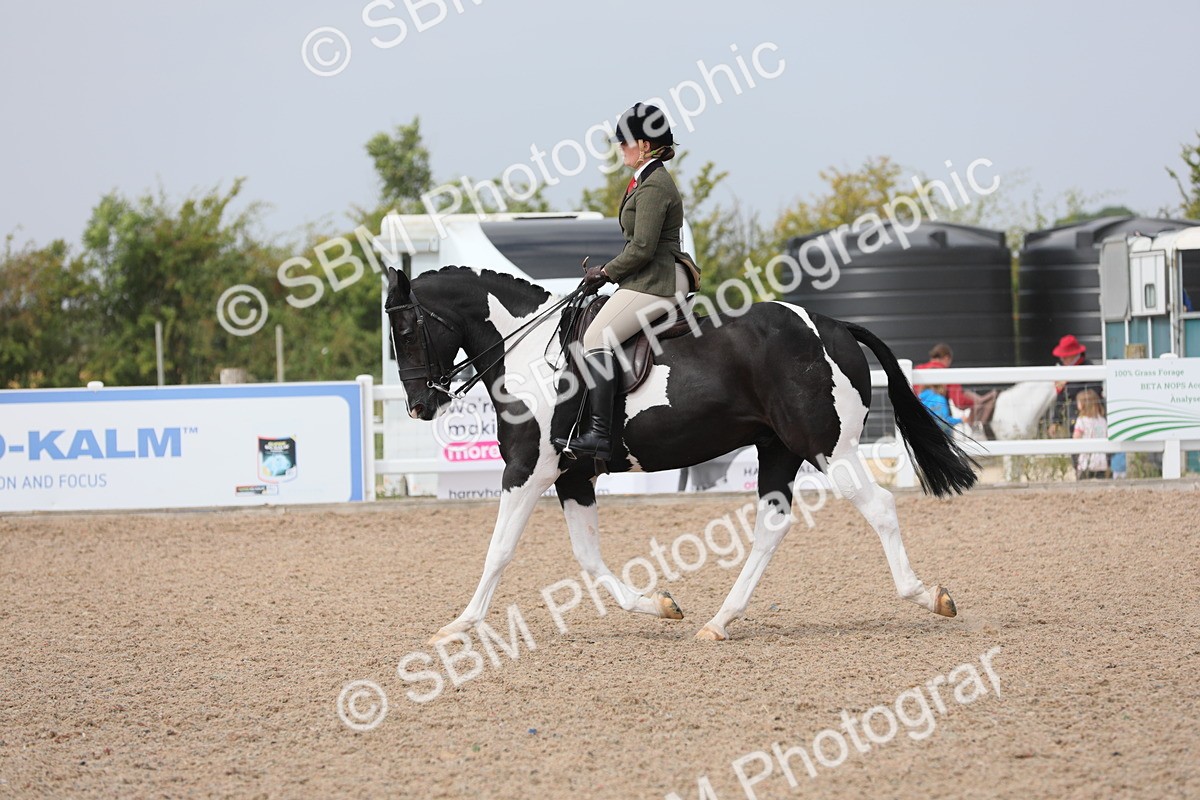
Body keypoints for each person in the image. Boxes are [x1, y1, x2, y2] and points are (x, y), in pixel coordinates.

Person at [553, 103, 699, 461]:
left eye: (625, 143)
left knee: (596, 336)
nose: (620, 148)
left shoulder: (654, 185)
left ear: (645, 145)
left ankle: (600, 435)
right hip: (649, 276)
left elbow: (643, 248)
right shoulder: (644, 179)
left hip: (659, 279)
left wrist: (605, 273)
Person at [912, 343, 997, 428]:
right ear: (946, 358)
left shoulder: (918, 370)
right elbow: (959, 402)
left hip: (917, 420)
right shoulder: (946, 373)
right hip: (939, 425)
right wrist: (976, 401)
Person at [1049, 334, 1104, 434]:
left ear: (1073, 355)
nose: (1062, 359)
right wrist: (1056, 421)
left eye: (1065, 357)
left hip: (1090, 419)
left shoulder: (1089, 369)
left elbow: (1095, 394)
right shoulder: (1065, 370)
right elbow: (1061, 398)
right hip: (1073, 420)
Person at [1072, 389, 1108, 479]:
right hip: (1101, 460)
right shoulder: (1102, 421)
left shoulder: (1081, 420)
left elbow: (1076, 437)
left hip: (1085, 460)